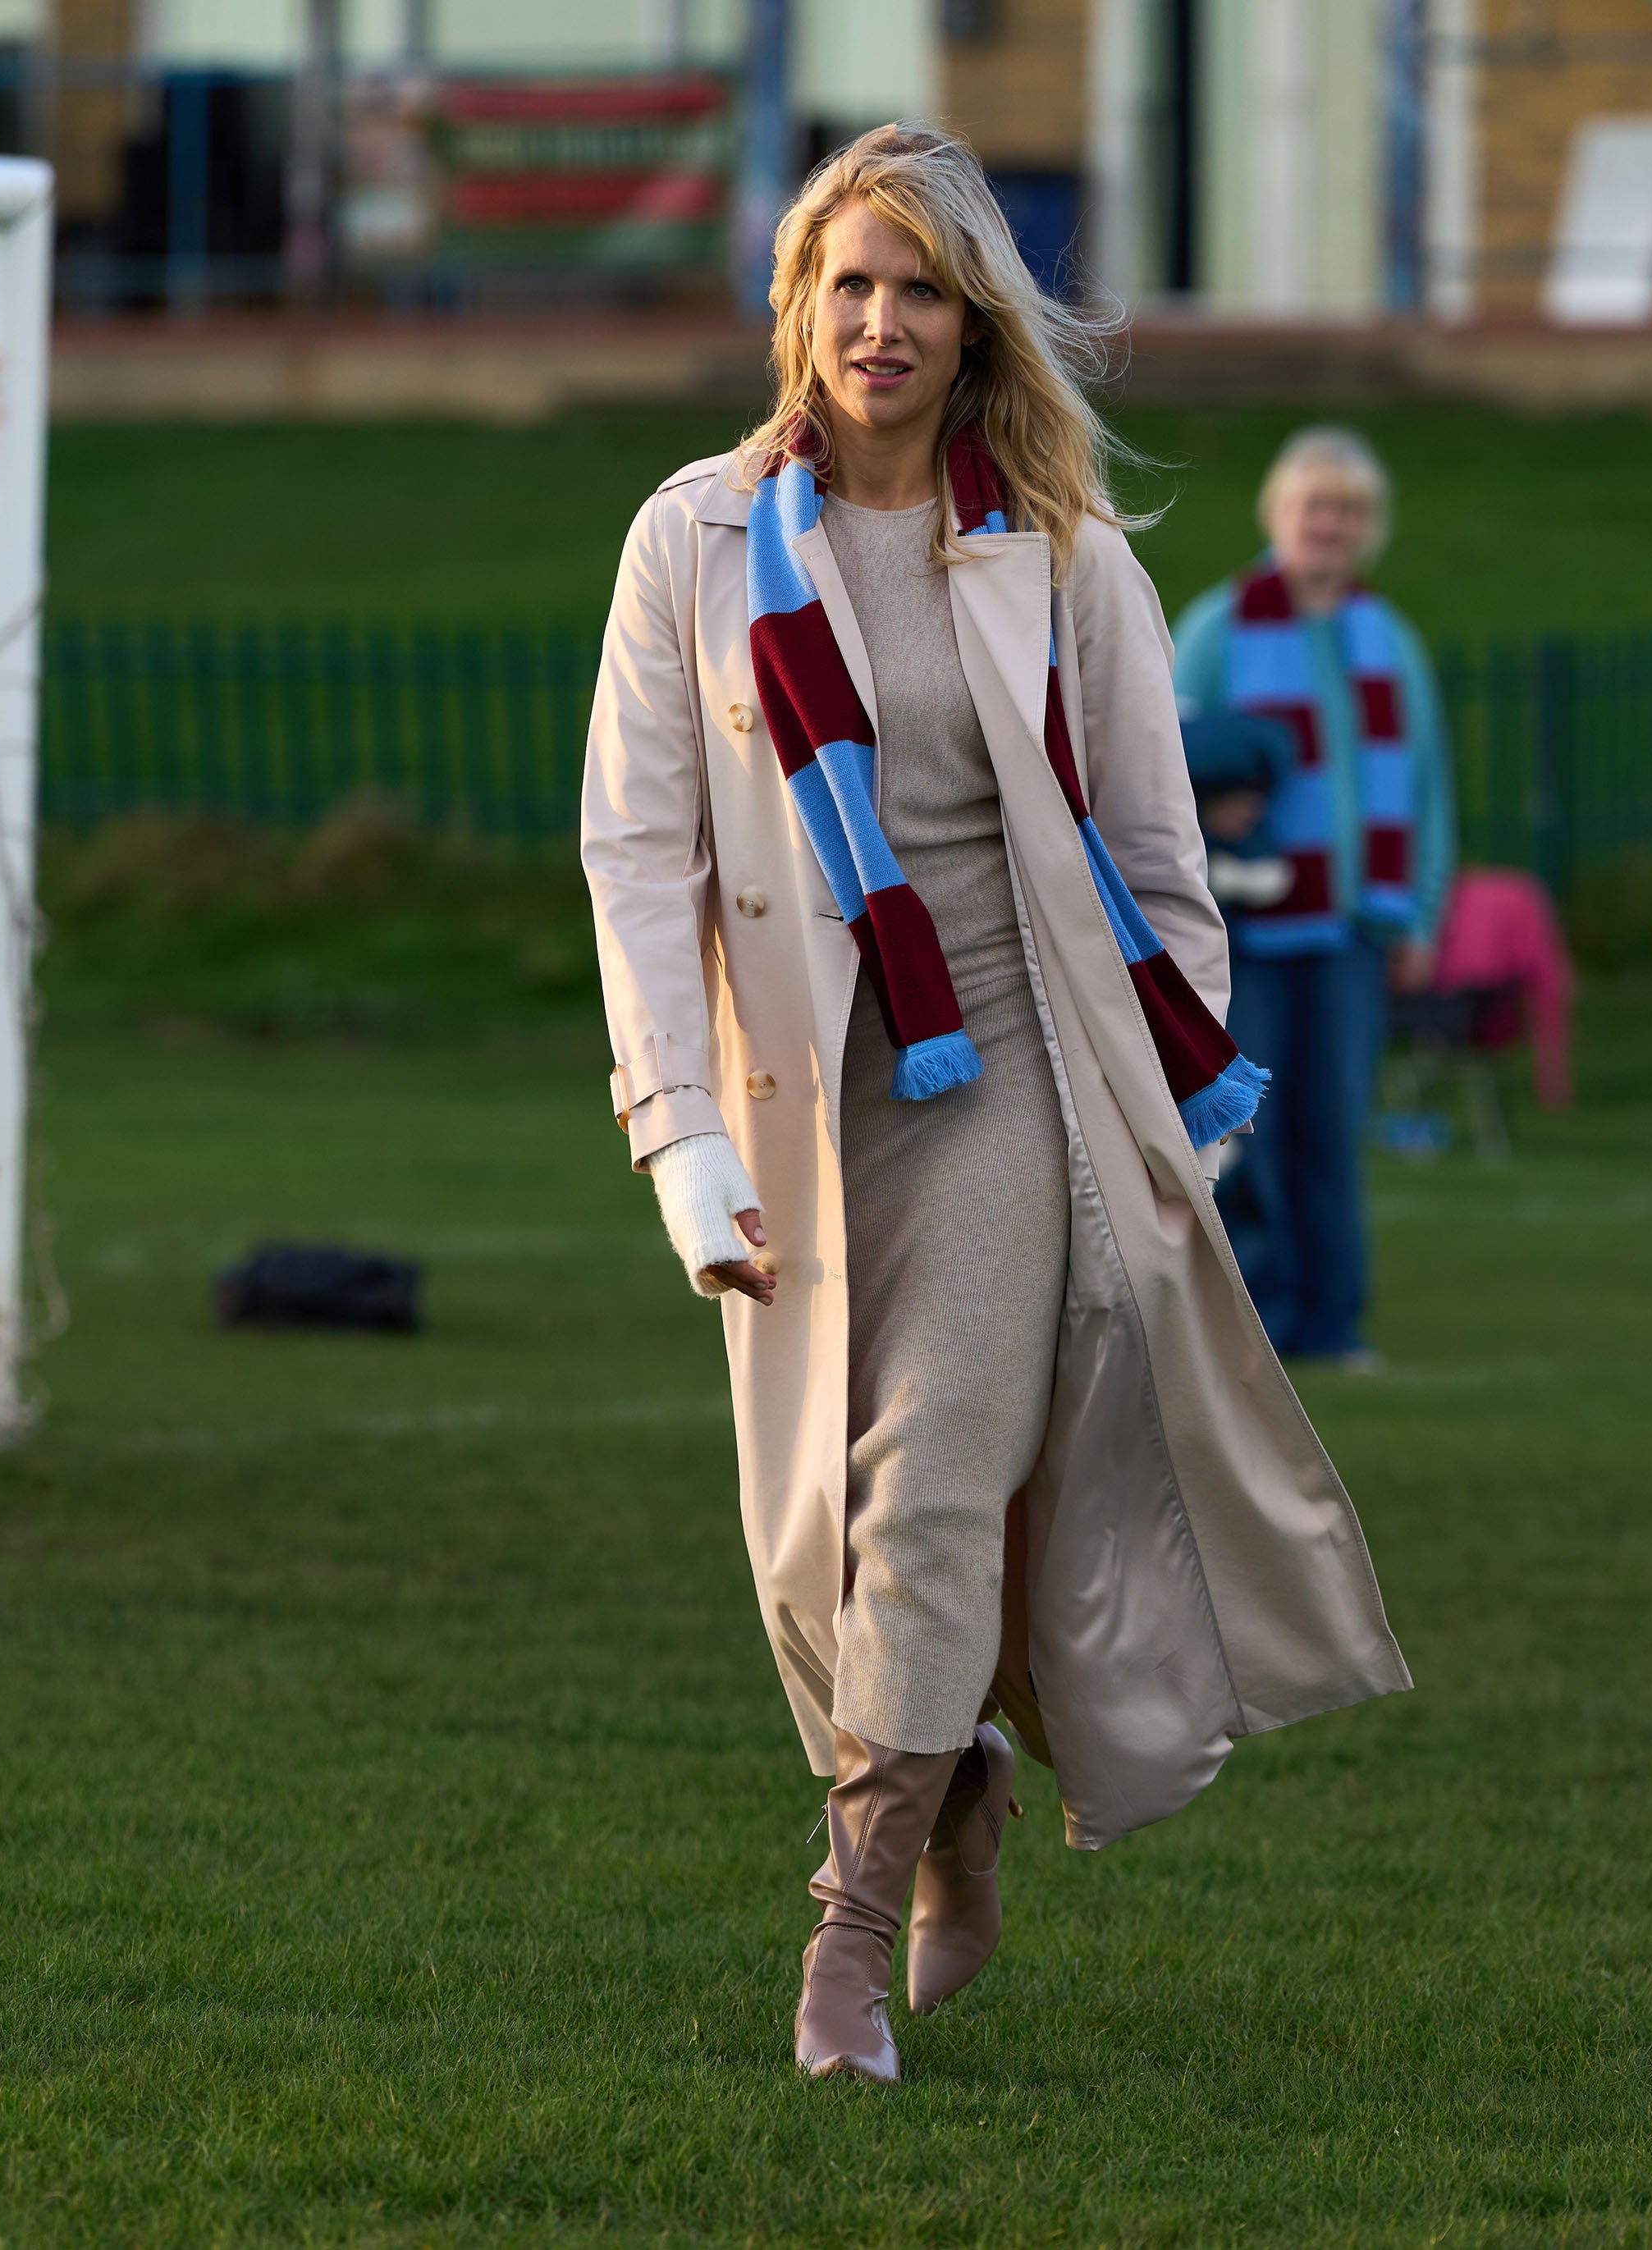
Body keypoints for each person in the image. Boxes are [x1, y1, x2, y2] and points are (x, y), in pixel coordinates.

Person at [579, 125, 1409, 2087]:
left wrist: (1163, 1130)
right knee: (812, 1554)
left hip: (1008, 1075)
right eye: (848, 282)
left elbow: (1158, 864)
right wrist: (675, 1130)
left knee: (930, 1484)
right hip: (794, 1090)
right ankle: (948, 1797)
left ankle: (842, 1934)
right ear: (799, 301)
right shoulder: (688, 538)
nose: (879, 321)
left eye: (920, 289)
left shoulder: (1069, 559)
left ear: (973, 328)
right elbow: (636, 859)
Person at [1169, 428, 1457, 1368]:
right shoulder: (1220, 623)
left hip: (1353, 932)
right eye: (1311, 506)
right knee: (1244, 1131)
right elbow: (1156, 756)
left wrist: (1417, 911)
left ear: (1367, 527)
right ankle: (1248, 1327)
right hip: (1244, 926)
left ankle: (1333, 1322)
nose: (1327, 525)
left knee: (1332, 1129)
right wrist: (1220, 804)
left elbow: (1425, 786)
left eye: (1346, 510)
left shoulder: (1390, 639)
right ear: (1278, 516)